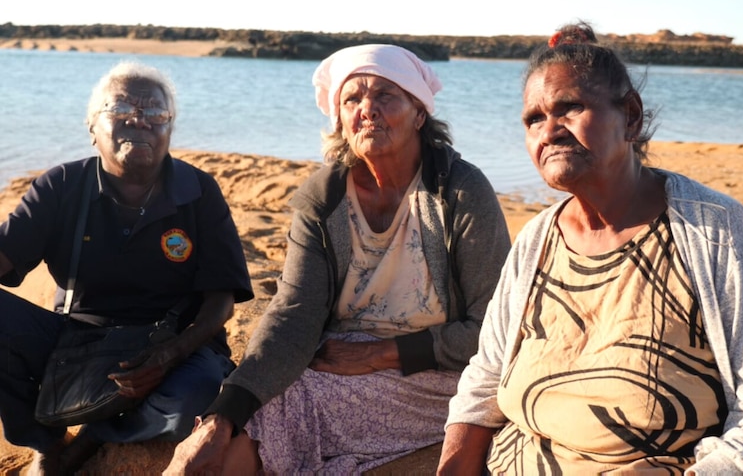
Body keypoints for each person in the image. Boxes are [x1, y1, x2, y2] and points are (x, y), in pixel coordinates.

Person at [438, 22, 743, 475]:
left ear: (632, 117)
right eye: (534, 119)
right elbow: (485, 380)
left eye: (571, 108)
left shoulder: (710, 230)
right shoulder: (536, 241)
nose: (550, 131)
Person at [165, 43, 511, 474]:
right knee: (244, 419)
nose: (367, 108)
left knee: (289, 406)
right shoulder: (323, 198)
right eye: (353, 99)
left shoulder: (461, 193)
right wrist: (221, 415)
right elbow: (294, 314)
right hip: (339, 362)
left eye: (386, 94)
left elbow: (493, 330)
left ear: (419, 113)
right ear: (341, 121)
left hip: (442, 372)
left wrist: (384, 354)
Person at [0, 61, 254, 474]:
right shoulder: (60, 186)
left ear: (171, 128)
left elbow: (221, 302)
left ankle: (95, 433)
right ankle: (45, 441)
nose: (139, 123)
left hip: (174, 346)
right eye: (121, 113)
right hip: (77, 341)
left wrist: (170, 354)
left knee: (199, 398)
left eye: (155, 114)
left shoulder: (200, 192)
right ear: (91, 126)